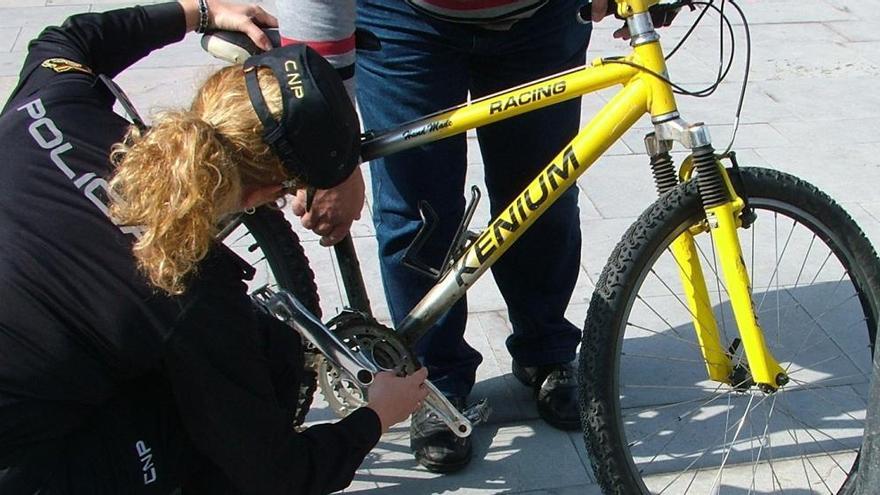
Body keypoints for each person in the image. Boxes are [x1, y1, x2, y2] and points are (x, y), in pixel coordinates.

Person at [0, 1, 428, 493]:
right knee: (244, 398)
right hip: (22, 463)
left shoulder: (52, 105)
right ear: (262, 194)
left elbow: (73, 36)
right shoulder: (191, 287)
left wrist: (198, 12)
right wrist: (376, 417)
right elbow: (278, 473)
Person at [276, 0, 614, 473]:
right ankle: (434, 381)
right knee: (417, 216)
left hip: (542, 18)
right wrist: (328, 152)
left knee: (545, 193)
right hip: (401, 20)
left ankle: (547, 350)